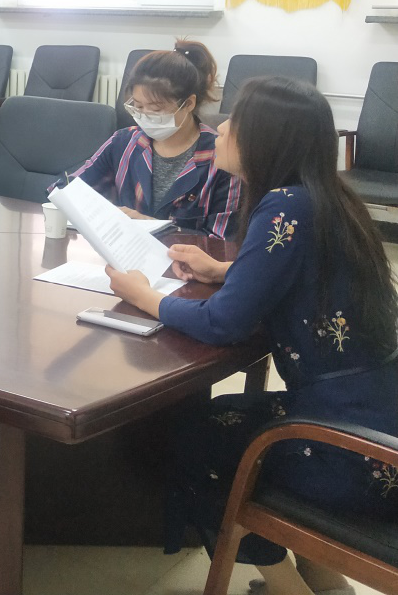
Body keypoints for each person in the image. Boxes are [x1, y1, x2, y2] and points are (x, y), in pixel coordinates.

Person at [106, 77, 398, 595]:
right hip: (373, 418)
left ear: (266, 138)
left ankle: (289, 589)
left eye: (234, 122)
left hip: (350, 449)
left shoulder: (284, 206)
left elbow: (223, 324)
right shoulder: (325, 197)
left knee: (187, 439)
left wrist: (145, 296)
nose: (220, 129)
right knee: (211, 423)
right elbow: (304, 275)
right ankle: (328, 584)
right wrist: (226, 271)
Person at [65, 40, 242, 238]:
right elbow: (69, 191)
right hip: (123, 252)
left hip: (182, 258)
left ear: (188, 103)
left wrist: (154, 227)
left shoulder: (222, 158)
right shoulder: (124, 142)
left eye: (156, 109)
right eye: (138, 107)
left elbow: (223, 241)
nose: (145, 116)